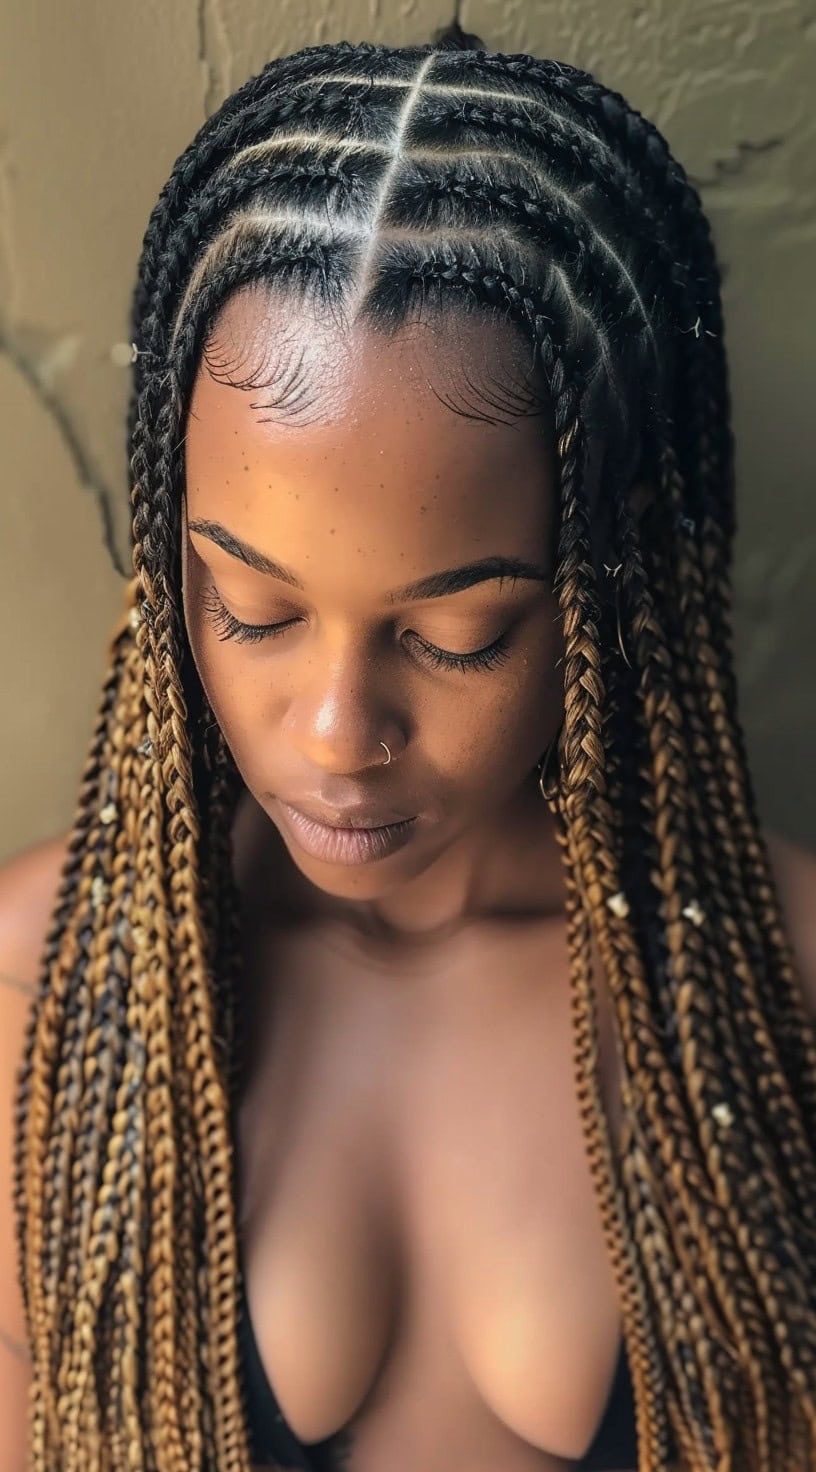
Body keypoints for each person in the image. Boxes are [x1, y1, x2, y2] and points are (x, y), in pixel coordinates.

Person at [2, 18, 816, 1472]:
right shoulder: (47, 997)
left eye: (456, 638)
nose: (336, 734)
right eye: (251, 610)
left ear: (611, 590)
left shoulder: (778, 999)